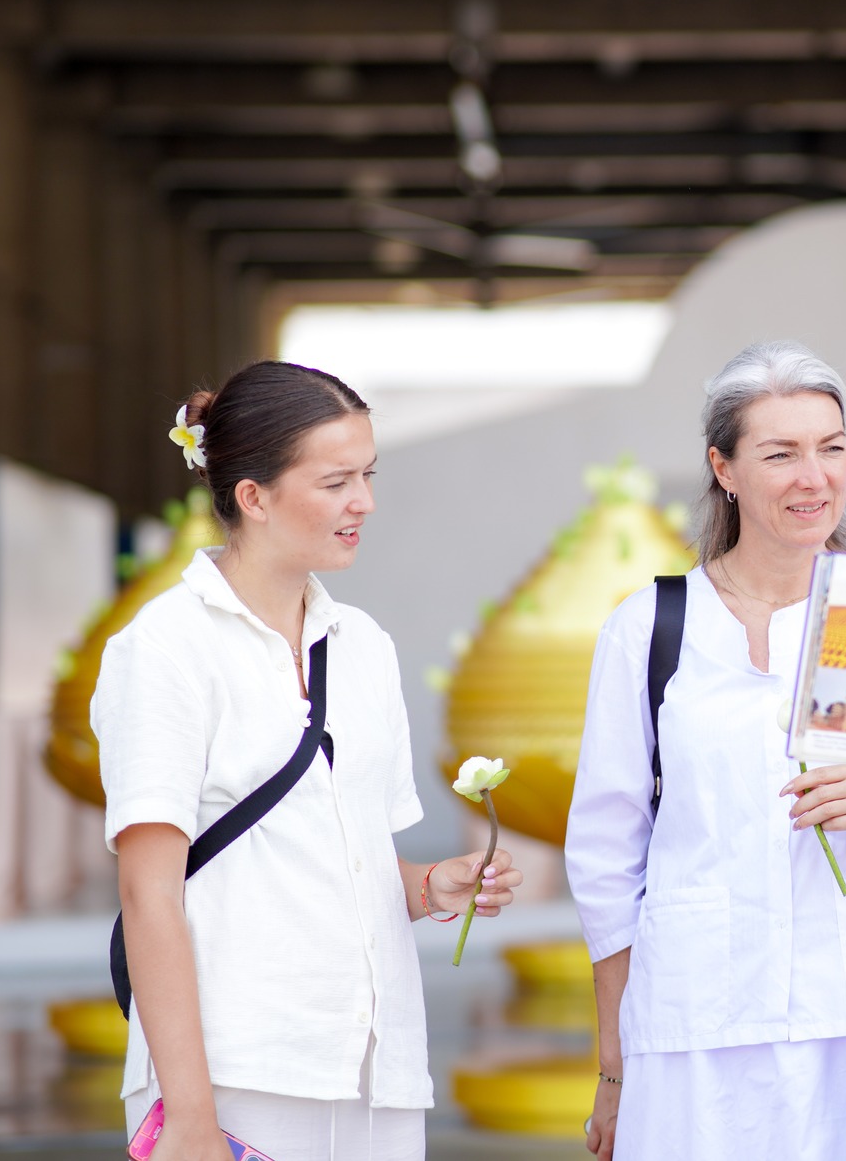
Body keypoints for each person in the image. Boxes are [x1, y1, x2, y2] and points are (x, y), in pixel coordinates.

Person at [95, 360, 525, 1161]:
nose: (364, 501)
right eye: (335, 481)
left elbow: (352, 862)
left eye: (368, 474)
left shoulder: (364, 647)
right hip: (238, 1075)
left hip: (376, 1070)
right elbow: (148, 894)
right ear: (253, 497)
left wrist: (433, 886)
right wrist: (191, 1116)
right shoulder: (164, 649)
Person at [566, 341, 846, 1161]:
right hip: (694, 1034)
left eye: (831, 448)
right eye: (781, 453)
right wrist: (614, 1066)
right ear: (723, 467)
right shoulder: (651, 625)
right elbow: (605, 859)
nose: (815, 477)